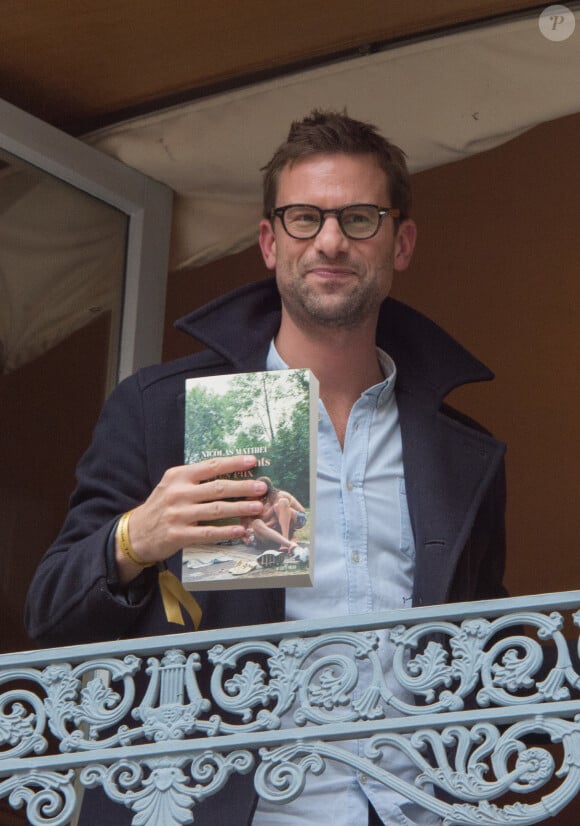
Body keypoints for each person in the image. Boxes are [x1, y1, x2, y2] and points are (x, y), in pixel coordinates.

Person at [24, 110, 507, 826]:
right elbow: (50, 615)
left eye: (361, 218)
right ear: (268, 241)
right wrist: (137, 538)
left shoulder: (462, 451)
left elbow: (485, 658)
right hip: (223, 809)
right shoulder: (166, 412)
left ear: (401, 242)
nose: (332, 241)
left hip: (409, 812)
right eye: (305, 218)